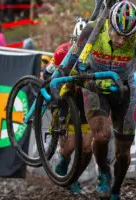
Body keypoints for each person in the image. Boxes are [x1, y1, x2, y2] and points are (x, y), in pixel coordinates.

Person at [58, 1, 136, 199]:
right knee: (102, 135)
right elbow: (69, 62)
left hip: (124, 89)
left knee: (123, 152)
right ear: (109, 25)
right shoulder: (92, 30)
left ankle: (115, 190)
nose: (121, 41)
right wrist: (59, 78)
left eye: (126, 36)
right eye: (118, 34)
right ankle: (103, 171)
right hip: (93, 85)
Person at [42, 17, 88, 194]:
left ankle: (74, 178)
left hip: (83, 97)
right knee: (69, 145)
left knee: (87, 145)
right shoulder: (62, 51)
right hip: (63, 96)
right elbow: (46, 75)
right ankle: (64, 159)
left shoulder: (95, 53)